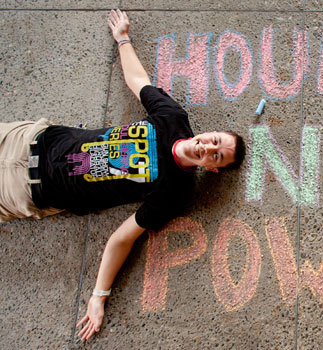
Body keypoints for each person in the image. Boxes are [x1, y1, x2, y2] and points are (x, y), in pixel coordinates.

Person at [0, 9, 246, 341]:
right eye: (215, 140)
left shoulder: (175, 191)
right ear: (210, 132)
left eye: (216, 155)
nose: (208, 147)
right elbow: (138, 82)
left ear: (212, 168)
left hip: (25, 191)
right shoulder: (173, 118)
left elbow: (123, 237)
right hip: (27, 140)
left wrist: (99, 297)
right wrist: (123, 38)